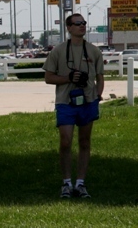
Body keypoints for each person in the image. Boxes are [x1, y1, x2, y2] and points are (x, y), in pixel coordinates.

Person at [43, 13, 105, 199]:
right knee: (65, 141)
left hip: (88, 101)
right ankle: (66, 183)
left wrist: (98, 95)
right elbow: (48, 78)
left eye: (84, 23)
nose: (82, 26)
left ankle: (80, 183)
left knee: (85, 142)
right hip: (65, 102)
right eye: (78, 23)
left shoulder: (94, 51)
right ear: (68, 28)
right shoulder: (59, 51)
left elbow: (100, 76)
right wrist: (68, 78)